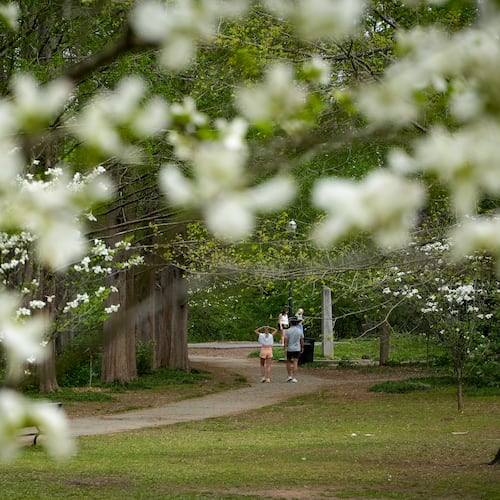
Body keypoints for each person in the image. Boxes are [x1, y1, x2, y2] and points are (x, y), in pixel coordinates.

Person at [284, 316, 304, 383]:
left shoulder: (288, 331)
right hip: (297, 348)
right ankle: (294, 378)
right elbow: (302, 340)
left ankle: (289, 376)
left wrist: (284, 348)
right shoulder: (299, 331)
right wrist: (302, 347)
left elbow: (286, 341)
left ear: (290, 323)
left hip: (290, 348)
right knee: (295, 362)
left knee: (288, 362)